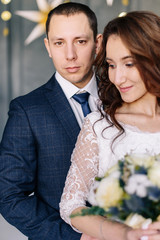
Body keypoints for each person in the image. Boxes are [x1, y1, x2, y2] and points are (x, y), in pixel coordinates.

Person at [0, 2, 102, 240]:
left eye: (80, 41)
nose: (70, 55)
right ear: (48, 46)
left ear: (97, 43)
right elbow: (9, 196)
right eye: (59, 43)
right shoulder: (27, 110)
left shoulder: (123, 96)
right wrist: (75, 237)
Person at [60, 11, 160, 240]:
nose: (117, 77)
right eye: (111, 65)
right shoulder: (99, 127)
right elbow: (70, 206)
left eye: (129, 63)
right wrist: (124, 233)